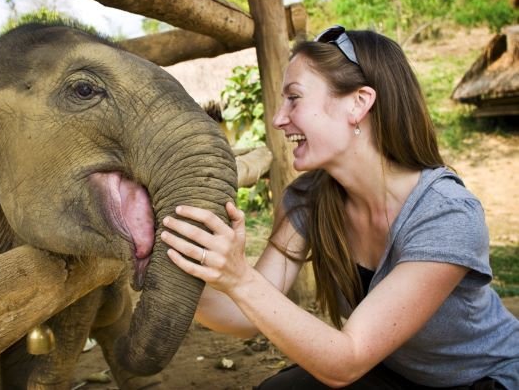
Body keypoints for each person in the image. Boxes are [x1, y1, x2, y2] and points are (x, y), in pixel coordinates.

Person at [160, 26, 519, 389]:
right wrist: (176, 262)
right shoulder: (309, 199)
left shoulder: (446, 213)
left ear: (359, 103)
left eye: (294, 98)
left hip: (482, 380)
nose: (278, 118)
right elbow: (242, 314)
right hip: (393, 371)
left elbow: (346, 362)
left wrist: (239, 276)